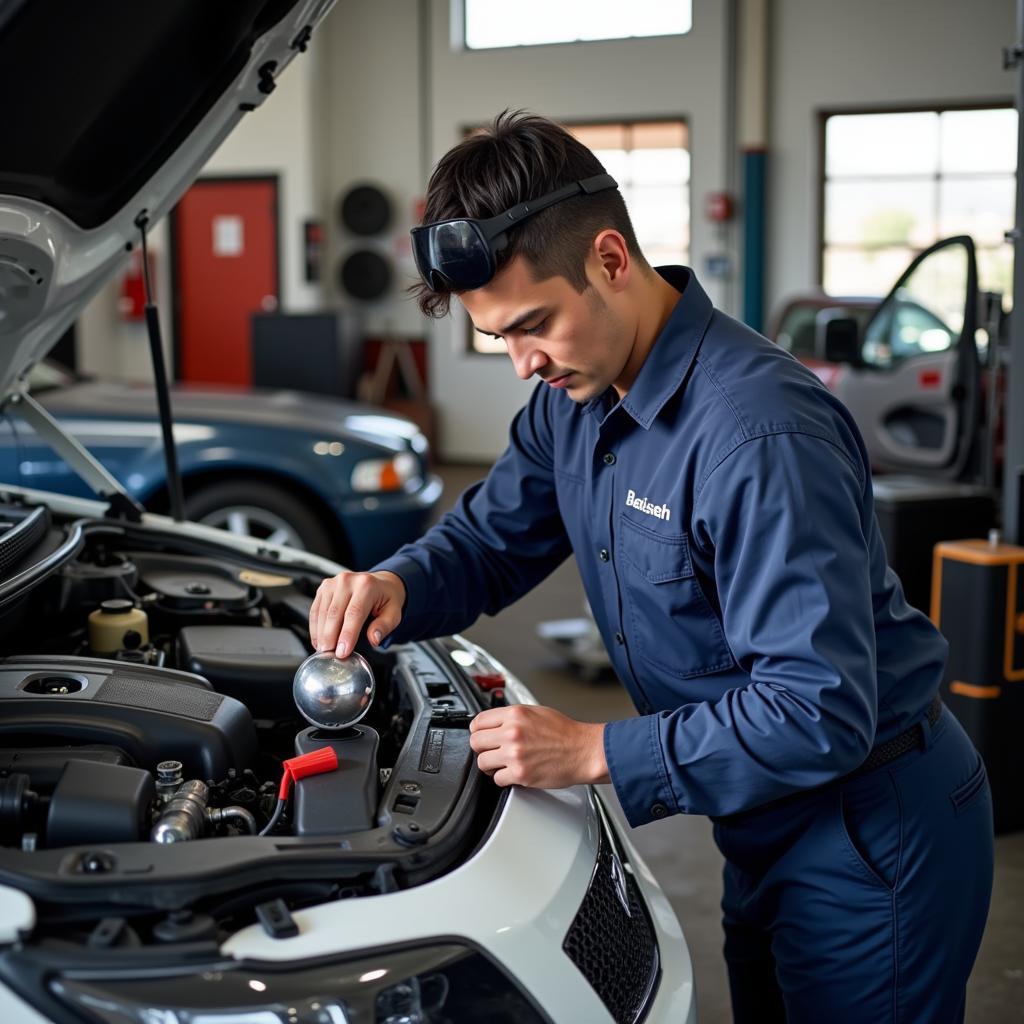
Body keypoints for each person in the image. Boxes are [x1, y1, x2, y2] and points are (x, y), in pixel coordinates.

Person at [309, 111, 993, 1022]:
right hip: (764, 818)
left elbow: (817, 705)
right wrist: (397, 584)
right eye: (498, 337)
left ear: (611, 261)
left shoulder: (757, 434)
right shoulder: (575, 397)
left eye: (534, 325)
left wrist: (594, 748)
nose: (522, 364)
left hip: (870, 831)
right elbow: (488, 539)